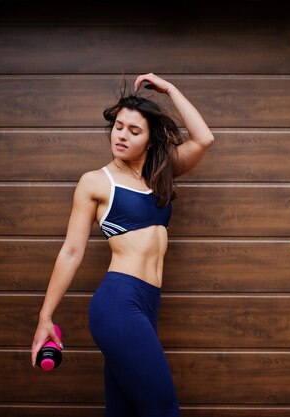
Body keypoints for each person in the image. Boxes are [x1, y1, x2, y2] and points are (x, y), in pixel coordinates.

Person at [31, 73, 214, 417]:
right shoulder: (97, 182)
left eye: (134, 130)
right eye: (118, 126)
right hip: (118, 302)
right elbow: (71, 251)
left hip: (147, 304)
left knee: (123, 412)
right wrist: (45, 316)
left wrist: (170, 90)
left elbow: (204, 139)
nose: (122, 135)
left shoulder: (161, 171)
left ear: (149, 139)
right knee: (164, 411)